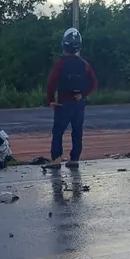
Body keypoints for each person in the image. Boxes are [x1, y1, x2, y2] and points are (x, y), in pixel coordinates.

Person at [46, 28, 98, 167]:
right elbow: (93, 82)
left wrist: (51, 100)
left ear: (64, 44)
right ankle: (74, 158)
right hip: (79, 102)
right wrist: (83, 94)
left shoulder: (60, 63)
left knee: (58, 131)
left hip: (64, 102)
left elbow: (51, 83)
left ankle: (56, 159)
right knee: (77, 131)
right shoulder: (84, 64)